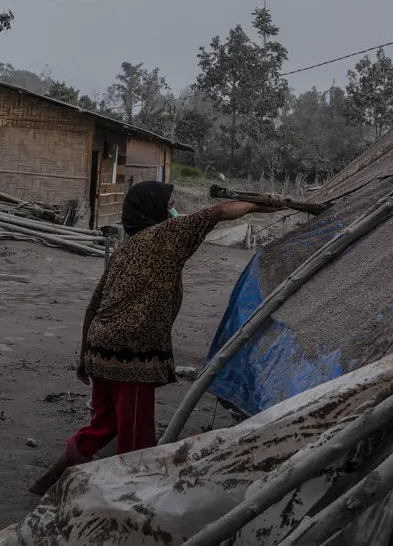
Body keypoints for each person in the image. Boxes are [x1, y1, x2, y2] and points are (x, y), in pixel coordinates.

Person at [30, 181, 282, 496]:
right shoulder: (166, 236)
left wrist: (84, 356)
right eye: (167, 205)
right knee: (136, 438)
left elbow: (94, 305)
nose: (171, 209)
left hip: (99, 345)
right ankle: (128, 499)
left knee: (103, 424)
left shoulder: (126, 247)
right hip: (130, 353)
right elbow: (218, 212)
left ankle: (46, 481)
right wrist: (264, 205)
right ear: (151, 209)